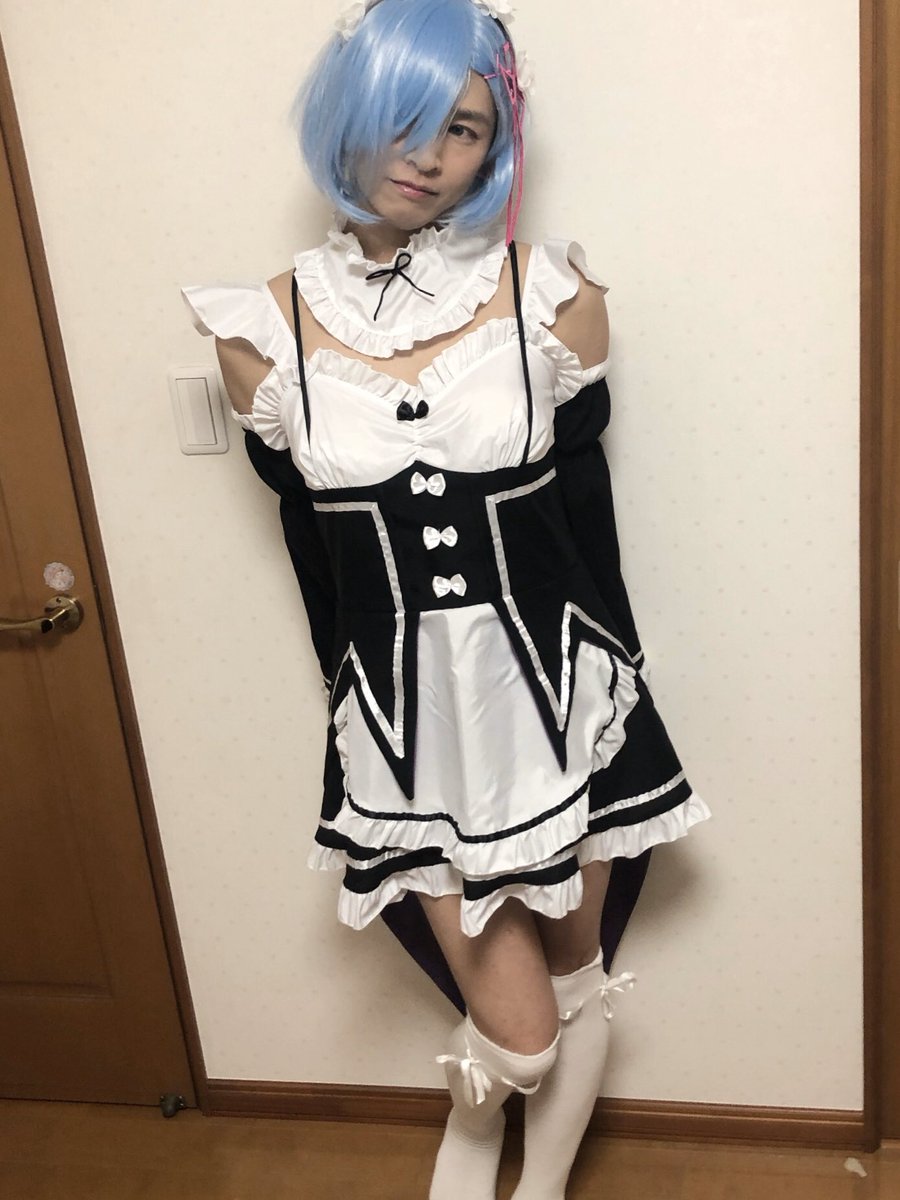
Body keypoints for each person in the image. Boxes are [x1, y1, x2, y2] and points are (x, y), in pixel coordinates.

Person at [183, 1, 711, 1195]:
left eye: (463, 129)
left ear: (494, 146)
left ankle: (537, 1189)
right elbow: (314, 555)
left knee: (579, 982)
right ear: (348, 116)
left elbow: (588, 520)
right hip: (409, 725)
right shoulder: (260, 329)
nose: (428, 155)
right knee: (519, 1038)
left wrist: (620, 686)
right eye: (404, 120)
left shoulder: (552, 294)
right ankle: (473, 1144)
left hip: (558, 696)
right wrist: (351, 712)